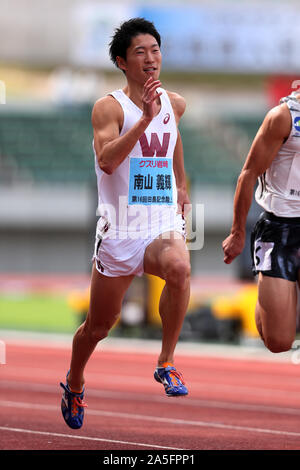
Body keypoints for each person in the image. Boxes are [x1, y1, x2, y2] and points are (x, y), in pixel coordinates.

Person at [60, 17, 191, 429]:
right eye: (140, 52)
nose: (151, 58)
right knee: (98, 326)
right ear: (122, 61)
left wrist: (182, 185)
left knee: (180, 268)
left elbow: (173, 139)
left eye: (155, 50)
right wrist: (145, 120)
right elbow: (107, 159)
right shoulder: (109, 107)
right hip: (119, 229)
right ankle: (75, 381)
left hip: (159, 220)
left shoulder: (174, 102)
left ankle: (166, 361)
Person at [222, 89, 300, 355]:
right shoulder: (283, 117)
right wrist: (237, 233)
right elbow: (248, 174)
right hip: (279, 229)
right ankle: (268, 297)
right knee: (278, 342)